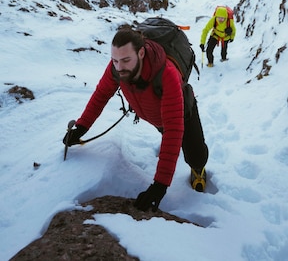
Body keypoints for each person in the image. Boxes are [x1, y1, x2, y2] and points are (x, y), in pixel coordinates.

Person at [63, 25, 209, 211]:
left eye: (125, 60)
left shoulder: (167, 74)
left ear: (141, 53)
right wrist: (82, 127)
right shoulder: (117, 68)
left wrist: (160, 185)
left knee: (196, 155)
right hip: (153, 112)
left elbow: (173, 128)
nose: (119, 67)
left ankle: (198, 169)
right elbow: (101, 94)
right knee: (166, 134)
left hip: (182, 113)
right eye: (114, 60)